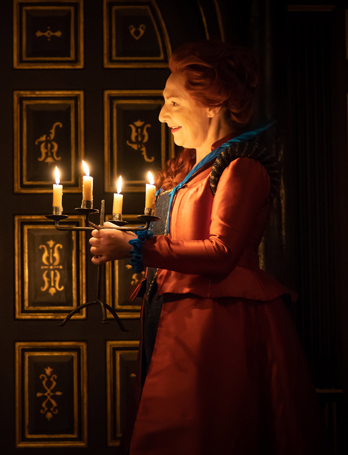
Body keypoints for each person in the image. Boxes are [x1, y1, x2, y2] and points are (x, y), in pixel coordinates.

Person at [90, 41, 327, 454]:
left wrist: (136, 246)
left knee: (204, 431)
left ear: (213, 104)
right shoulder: (188, 168)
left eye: (174, 102)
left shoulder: (242, 164)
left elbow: (221, 253)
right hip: (174, 320)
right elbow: (172, 239)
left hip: (219, 324)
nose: (163, 115)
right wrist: (127, 238)